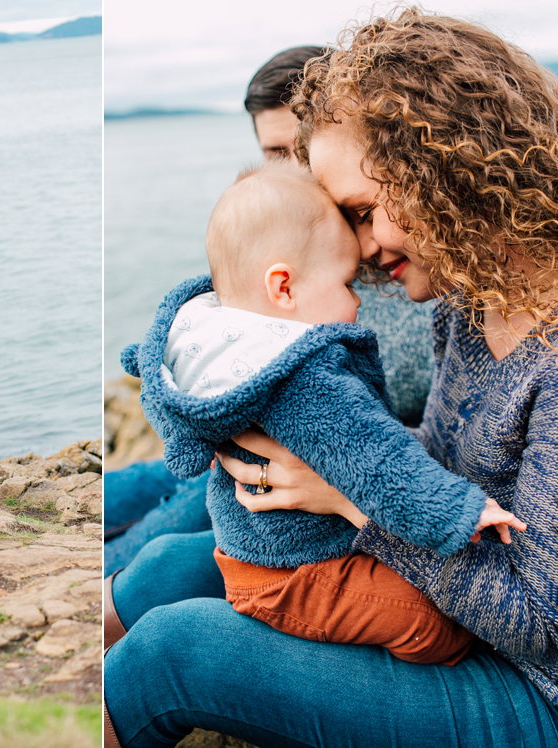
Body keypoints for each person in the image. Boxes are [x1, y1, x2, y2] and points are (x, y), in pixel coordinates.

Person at [105, 9, 558, 748]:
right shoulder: (471, 301)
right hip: (465, 597)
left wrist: (348, 499)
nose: (363, 249)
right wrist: (317, 456)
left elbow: (545, 625)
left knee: (173, 654)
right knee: (175, 564)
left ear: (444, 173)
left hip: (556, 695)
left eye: (365, 212)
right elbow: (445, 454)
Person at [120, 159, 521, 665]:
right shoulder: (303, 375)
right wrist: (457, 513)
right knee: (435, 626)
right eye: (348, 284)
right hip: (302, 571)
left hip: (261, 554)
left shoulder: (216, 345)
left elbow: (161, 396)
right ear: (284, 288)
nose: (358, 302)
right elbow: (375, 457)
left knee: (164, 560)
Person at [103, 44, 435, 577]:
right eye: (273, 154)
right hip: (255, 449)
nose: (289, 173)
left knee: (166, 542)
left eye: (298, 153)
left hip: (327, 468)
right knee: (141, 483)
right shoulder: (292, 252)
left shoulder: (408, 266)